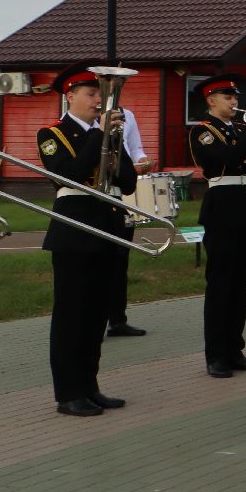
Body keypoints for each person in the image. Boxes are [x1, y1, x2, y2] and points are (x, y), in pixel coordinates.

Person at [41, 63, 138, 417]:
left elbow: (127, 183)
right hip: (75, 230)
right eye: (92, 93)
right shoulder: (52, 134)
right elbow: (69, 175)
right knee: (72, 315)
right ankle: (68, 393)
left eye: (100, 93)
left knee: (97, 314)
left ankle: (90, 386)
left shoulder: (107, 132)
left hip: (108, 227)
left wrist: (116, 141)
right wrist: (100, 136)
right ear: (70, 97)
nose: (99, 100)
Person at [189, 73, 246, 379]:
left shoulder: (239, 128)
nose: (234, 102)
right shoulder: (203, 131)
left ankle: (235, 350)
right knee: (221, 285)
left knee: (241, 285)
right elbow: (226, 157)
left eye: (235, 97)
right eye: (227, 97)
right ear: (211, 100)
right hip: (222, 208)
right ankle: (216, 355)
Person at [105, 105, 151, 338]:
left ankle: (117, 319)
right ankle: (94, 318)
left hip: (116, 196)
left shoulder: (127, 115)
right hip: (92, 197)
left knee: (119, 259)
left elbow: (134, 149)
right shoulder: (79, 118)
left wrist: (142, 160)